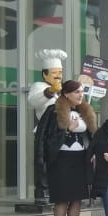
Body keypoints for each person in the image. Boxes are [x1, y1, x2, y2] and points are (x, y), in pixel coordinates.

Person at [34, 80, 96, 216]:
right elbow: (44, 138)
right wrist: (67, 129)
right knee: (61, 198)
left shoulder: (84, 111)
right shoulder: (53, 111)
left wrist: (93, 152)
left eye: (82, 92)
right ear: (66, 94)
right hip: (60, 159)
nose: (80, 95)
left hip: (79, 158)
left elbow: (92, 136)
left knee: (77, 198)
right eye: (77, 92)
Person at [26, 49, 68, 203]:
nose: (58, 76)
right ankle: (42, 193)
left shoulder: (64, 89)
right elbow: (33, 101)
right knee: (44, 162)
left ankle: (59, 190)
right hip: (45, 132)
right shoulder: (39, 86)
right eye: (54, 73)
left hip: (63, 132)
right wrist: (50, 91)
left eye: (60, 73)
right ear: (45, 74)